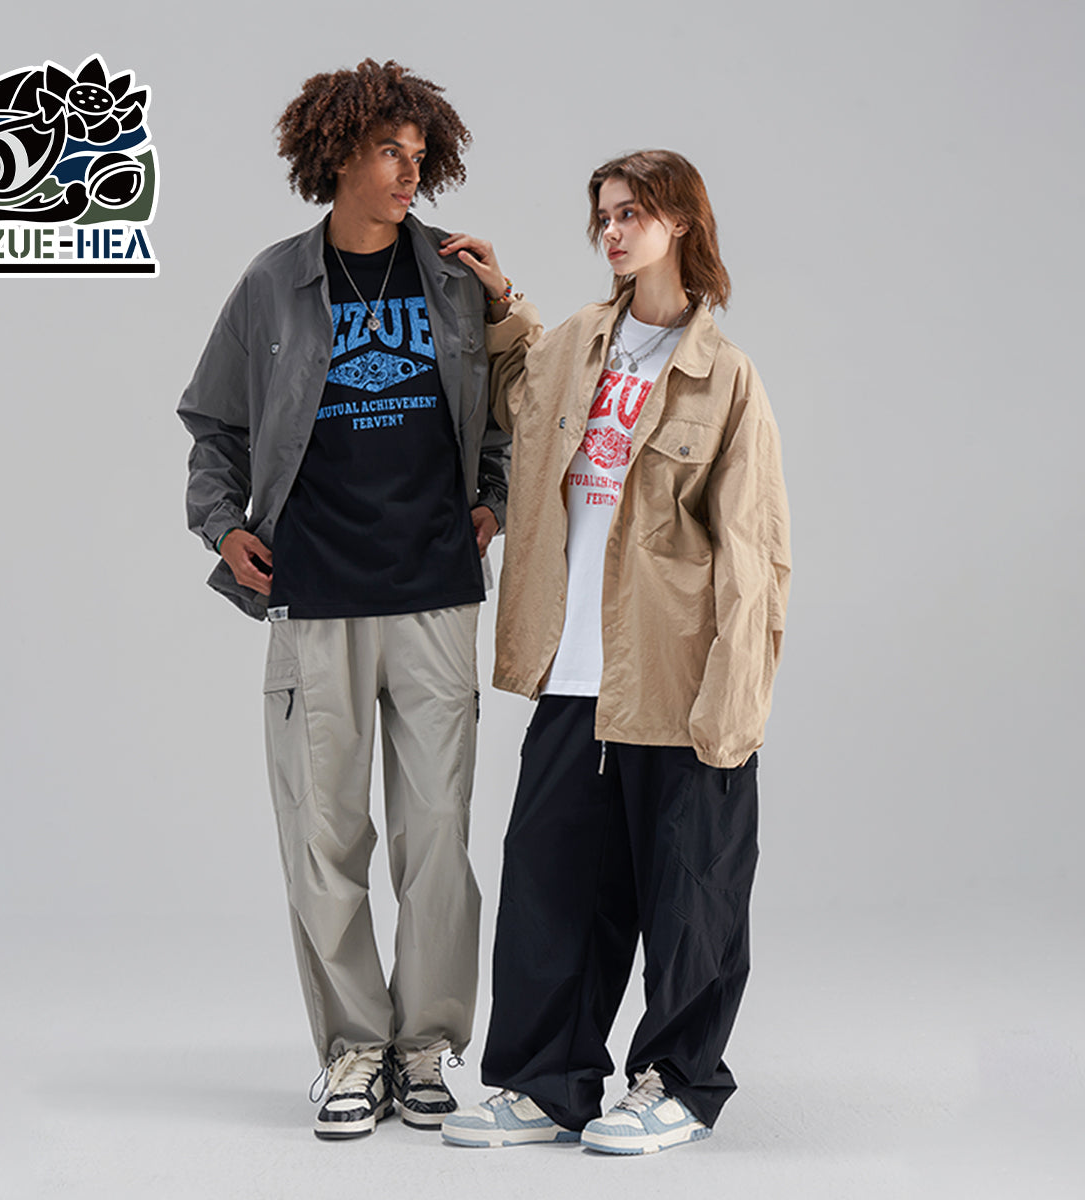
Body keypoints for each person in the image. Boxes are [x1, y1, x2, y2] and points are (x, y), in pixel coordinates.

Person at [177, 58, 511, 1141]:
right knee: (324, 835)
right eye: (387, 152)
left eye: (419, 154)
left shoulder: (457, 280)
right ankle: (354, 1049)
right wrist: (222, 523)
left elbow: (515, 408)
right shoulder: (274, 283)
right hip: (313, 590)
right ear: (336, 157)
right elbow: (215, 425)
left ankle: (428, 1045)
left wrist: (495, 498)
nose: (409, 171)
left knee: (437, 835)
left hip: (434, 592)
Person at [438, 150, 790, 1154]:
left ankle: (678, 1082)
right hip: (573, 673)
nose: (613, 231)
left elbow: (755, 554)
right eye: (603, 215)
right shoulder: (579, 346)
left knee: (690, 897)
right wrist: (501, 294)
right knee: (549, 889)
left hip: (675, 679)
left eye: (632, 213)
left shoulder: (724, 377)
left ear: (680, 222)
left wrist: (736, 700)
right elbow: (520, 386)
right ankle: (546, 1084)